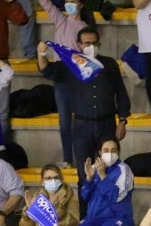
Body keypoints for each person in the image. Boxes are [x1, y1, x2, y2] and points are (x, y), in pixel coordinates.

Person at [38, 30, 130, 184]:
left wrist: (123, 121)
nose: (91, 46)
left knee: (110, 169)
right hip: (81, 126)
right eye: (87, 43)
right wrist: (41, 54)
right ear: (79, 45)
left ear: (100, 44)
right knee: (84, 172)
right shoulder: (70, 64)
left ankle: (107, 207)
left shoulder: (109, 64)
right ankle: (86, 208)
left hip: (107, 124)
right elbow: (46, 70)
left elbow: (120, 93)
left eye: (94, 43)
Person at [38, 0, 88, 168]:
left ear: (81, 4)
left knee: (80, 119)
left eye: (73, 1)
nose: (69, 4)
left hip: (77, 73)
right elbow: (43, 0)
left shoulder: (84, 28)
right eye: (67, 1)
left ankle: (83, 157)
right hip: (61, 74)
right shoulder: (60, 20)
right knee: (64, 119)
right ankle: (68, 158)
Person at [79, 140, 135, 226]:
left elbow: (117, 197)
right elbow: (84, 196)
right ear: (100, 152)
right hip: (93, 220)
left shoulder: (124, 170)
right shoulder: (94, 168)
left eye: (113, 150)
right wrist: (88, 178)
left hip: (119, 218)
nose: (110, 154)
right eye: (106, 150)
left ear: (119, 153)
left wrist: (103, 176)